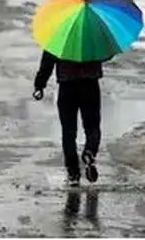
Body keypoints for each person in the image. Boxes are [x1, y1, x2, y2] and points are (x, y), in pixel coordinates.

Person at [33, 49, 102, 186]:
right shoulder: (93, 35)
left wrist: (39, 85)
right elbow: (106, 54)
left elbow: (48, 60)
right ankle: (90, 151)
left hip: (67, 86)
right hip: (90, 85)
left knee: (68, 132)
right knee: (92, 126)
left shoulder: (60, 35)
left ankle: (73, 172)